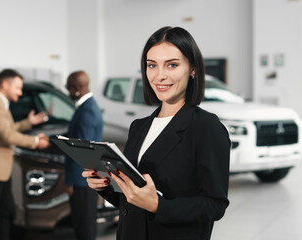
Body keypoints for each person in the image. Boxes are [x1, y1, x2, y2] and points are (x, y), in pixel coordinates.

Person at [83, 26, 231, 240]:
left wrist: (158, 206)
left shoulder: (206, 128)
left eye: (171, 65)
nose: (159, 76)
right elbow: (132, 199)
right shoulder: (139, 127)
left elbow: (215, 205)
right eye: (152, 65)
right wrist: (105, 186)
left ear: (193, 69)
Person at [0, 69, 50, 240]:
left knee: (6, 212)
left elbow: (7, 130)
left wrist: (27, 123)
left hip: (0, 171)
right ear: (5, 84)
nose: (20, 92)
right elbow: (7, 136)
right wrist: (36, 141)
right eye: (18, 88)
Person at [64, 70, 103, 240]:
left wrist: (70, 181)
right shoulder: (89, 106)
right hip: (86, 178)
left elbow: (80, 151)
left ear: (78, 88)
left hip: (82, 180)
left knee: (84, 226)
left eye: (69, 88)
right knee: (85, 224)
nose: (68, 92)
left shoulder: (86, 111)